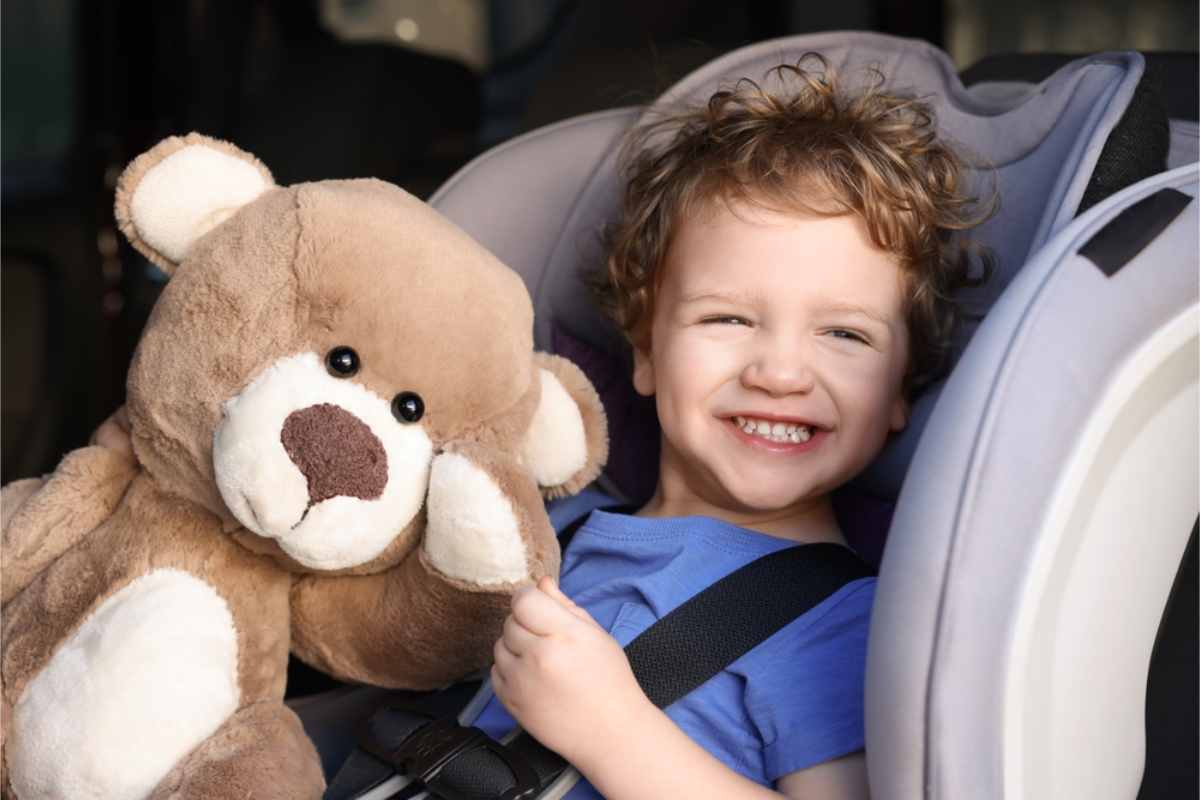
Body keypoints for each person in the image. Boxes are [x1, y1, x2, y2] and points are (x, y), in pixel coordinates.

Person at [476, 56, 992, 800]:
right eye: (729, 318)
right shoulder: (565, 532)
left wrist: (612, 730)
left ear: (898, 393)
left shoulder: (848, 626)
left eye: (845, 335)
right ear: (647, 350)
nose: (780, 373)